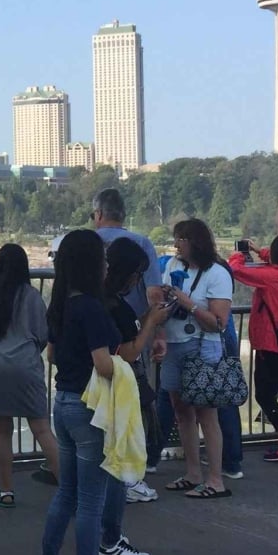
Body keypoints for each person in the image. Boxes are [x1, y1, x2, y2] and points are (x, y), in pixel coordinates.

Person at [35, 228, 135, 555]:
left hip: (63, 403)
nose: (107, 265)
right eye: (103, 258)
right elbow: (103, 364)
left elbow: (51, 355)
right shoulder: (91, 308)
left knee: (67, 493)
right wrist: (123, 371)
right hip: (89, 408)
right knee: (92, 501)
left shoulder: (61, 304)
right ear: (91, 264)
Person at [96, 237, 168, 555]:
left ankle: (98, 540)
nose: (138, 281)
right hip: (117, 392)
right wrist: (151, 323)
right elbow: (127, 352)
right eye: (137, 274)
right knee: (113, 467)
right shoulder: (115, 307)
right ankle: (109, 540)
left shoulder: (93, 302)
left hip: (95, 394)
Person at [91, 188, 165, 501]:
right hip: (131, 339)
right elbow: (154, 294)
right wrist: (157, 332)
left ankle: (104, 475)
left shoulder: (86, 242)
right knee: (130, 411)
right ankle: (131, 477)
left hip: (93, 344)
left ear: (97, 214)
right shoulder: (142, 243)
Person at [0, 243, 59, 505]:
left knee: (2, 430)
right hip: (25, 366)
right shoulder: (32, 296)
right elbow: (42, 335)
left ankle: (6, 491)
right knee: (42, 429)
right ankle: (71, 491)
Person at [158, 218, 233, 500]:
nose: (177, 245)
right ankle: (192, 473)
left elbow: (218, 323)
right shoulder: (173, 266)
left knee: (206, 414)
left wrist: (188, 304)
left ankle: (215, 479)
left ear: (195, 242)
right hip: (174, 344)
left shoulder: (217, 273)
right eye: (176, 239)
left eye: (182, 239)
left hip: (202, 346)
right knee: (182, 412)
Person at [229, 235, 278, 462]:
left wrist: (238, 256)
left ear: (275, 255)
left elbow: (236, 270)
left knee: (264, 395)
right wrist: (260, 251)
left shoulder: (271, 277)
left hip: (270, 344)